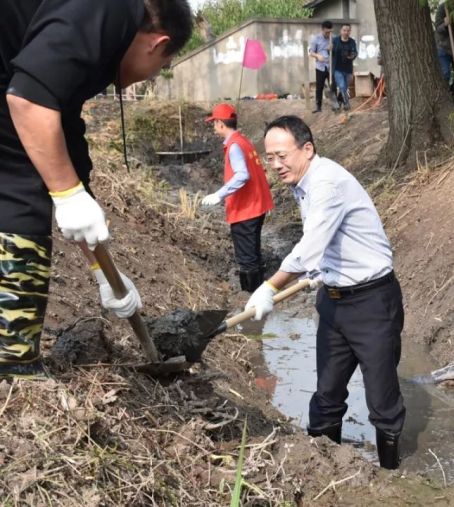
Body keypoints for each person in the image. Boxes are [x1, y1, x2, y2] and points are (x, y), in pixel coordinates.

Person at [0, 0, 193, 378]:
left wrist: (104, 269)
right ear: (158, 43)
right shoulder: (108, 9)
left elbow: (65, 134)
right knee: (25, 185)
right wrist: (66, 195)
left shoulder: (96, 36)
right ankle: (12, 358)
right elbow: (28, 101)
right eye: (161, 68)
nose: (151, 76)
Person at [247, 116, 405, 469]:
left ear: (307, 149)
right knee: (326, 394)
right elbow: (325, 246)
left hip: (372, 302)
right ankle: (322, 469)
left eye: (282, 155)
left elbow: (311, 245)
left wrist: (271, 286)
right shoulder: (304, 182)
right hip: (333, 302)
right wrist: (322, 273)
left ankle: (391, 475)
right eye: (269, 158)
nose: (275, 165)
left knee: (382, 399)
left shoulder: (327, 183)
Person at [201, 103, 274, 293]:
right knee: (253, 250)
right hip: (257, 205)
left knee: (246, 256)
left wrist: (219, 194)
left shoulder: (234, 146)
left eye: (213, 123)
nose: (213, 127)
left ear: (220, 124)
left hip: (246, 208)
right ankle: (258, 291)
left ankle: (251, 296)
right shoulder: (242, 141)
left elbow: (242, 175)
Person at [308, 20, 334, 113]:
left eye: (330, 32)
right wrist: (318, 56)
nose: (328, 34)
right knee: (320, 87)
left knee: (333, 85)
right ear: (322, 30)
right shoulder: (316, 39)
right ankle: (318, 107)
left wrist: (331, 49)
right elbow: (311, 52)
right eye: (327, 32)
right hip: (320, 66)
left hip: (330, 65)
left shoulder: (332, 38)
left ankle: (335, 105)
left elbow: (335, 52)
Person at [331, 24, 358, 111]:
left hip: (348, 70)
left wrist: (352, 56)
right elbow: (329, 53)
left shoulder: (352, 42)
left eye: (348, 30)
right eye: (344, 30)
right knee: (342, 86)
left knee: (344, 87)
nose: (346, 32)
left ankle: (339, 101)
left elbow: (355, 53)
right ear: (341, 31)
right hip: (337, 69)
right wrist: (329, 49)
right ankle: (346, 103)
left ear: (350, 31)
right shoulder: (335, 41)